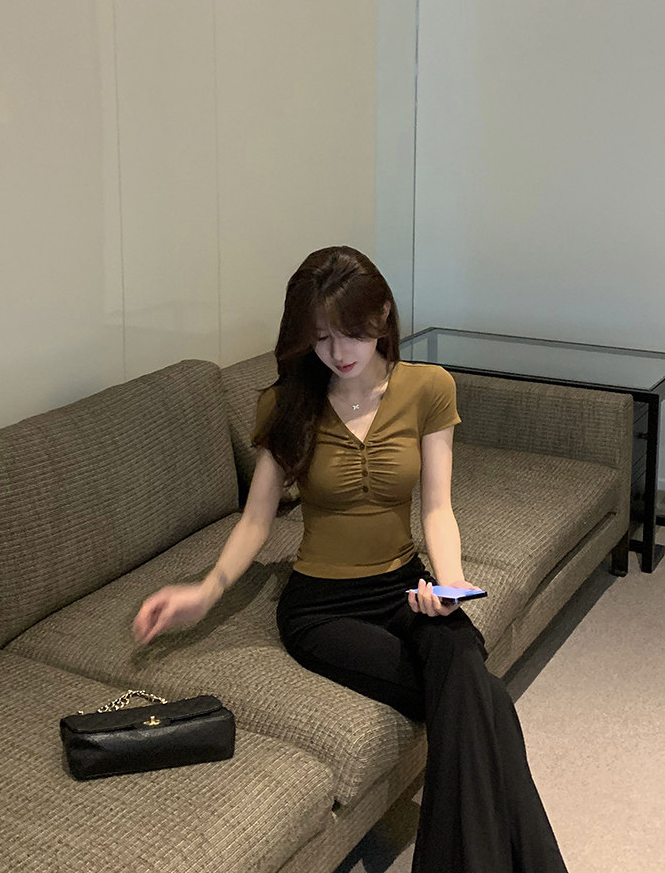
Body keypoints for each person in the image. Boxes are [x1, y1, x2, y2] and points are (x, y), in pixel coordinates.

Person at [133, 245, 568, 873]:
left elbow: (437, 509)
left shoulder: (429, 388)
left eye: (352, 332)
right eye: (321, 336)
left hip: (407, 586)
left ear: (382, 314)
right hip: (322, 609)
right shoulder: (287, 404)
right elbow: (256, 520)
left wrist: (448, 587)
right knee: (481, 698)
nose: (338, 352)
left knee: (467, 676)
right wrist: (205, 593)